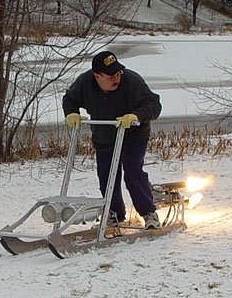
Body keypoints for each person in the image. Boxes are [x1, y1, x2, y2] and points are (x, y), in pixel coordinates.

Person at [63, 50, 162, 229]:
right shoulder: (85, 83)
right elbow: (70, 99)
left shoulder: (131, 81)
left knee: (132, 170)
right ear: (97, 76)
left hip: (133, 135)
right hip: (104, 136)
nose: (116, 79)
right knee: (107, 175)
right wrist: (71, 113)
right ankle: (114, 213)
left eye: (118, 73)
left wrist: (136, 116)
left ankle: (148, 212)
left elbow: (154, 104)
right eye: (110, 76)